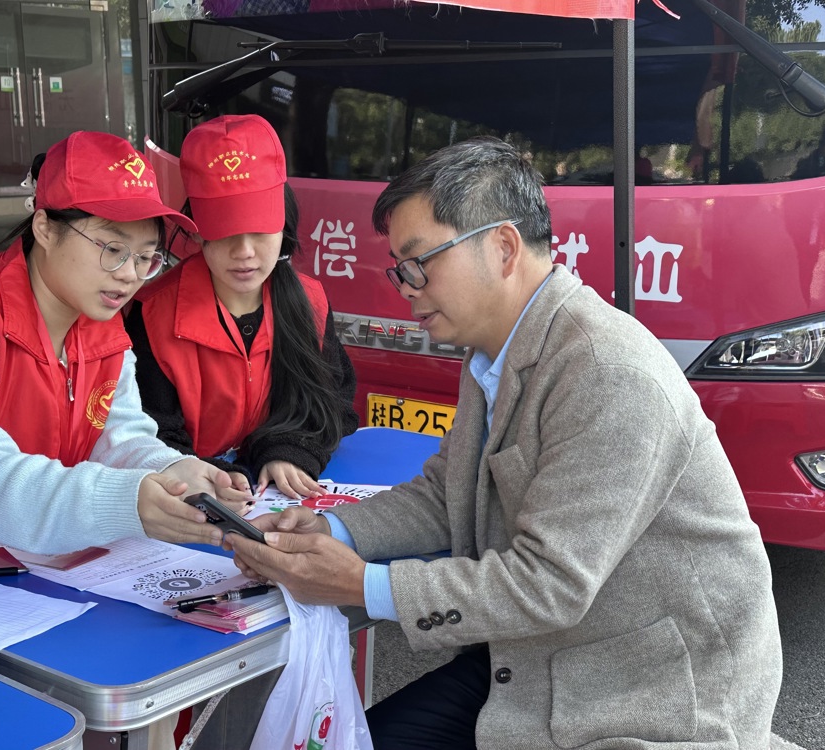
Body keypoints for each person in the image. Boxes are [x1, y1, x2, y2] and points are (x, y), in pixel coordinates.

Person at [228, 137, 784, 749]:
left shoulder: (605, 373)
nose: (405, 287)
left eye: (419, 263)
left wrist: (360, 585)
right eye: (398, 269)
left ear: (502, 247)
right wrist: (334, 533)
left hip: (646, 695)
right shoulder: (494, 352)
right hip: (539, 661)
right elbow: (448, 491)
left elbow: (550, 584)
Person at [0, 131, 239, 558]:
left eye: (146, 256)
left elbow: (117, 438)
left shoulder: (105, 327)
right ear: (45, 228)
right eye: (112, 248)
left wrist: (174, 471)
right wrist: (120, 500)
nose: (128, 274)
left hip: (26, 564)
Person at [125, 114, 358, 502]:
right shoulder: (151, 315)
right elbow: (145, 433)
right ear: (197, 230)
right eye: (226, 231)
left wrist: (290, 450)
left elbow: (333, 400)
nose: (245, 252)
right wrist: (214, 477)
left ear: (284, 223)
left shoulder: (310, 302)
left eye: (260, 229)